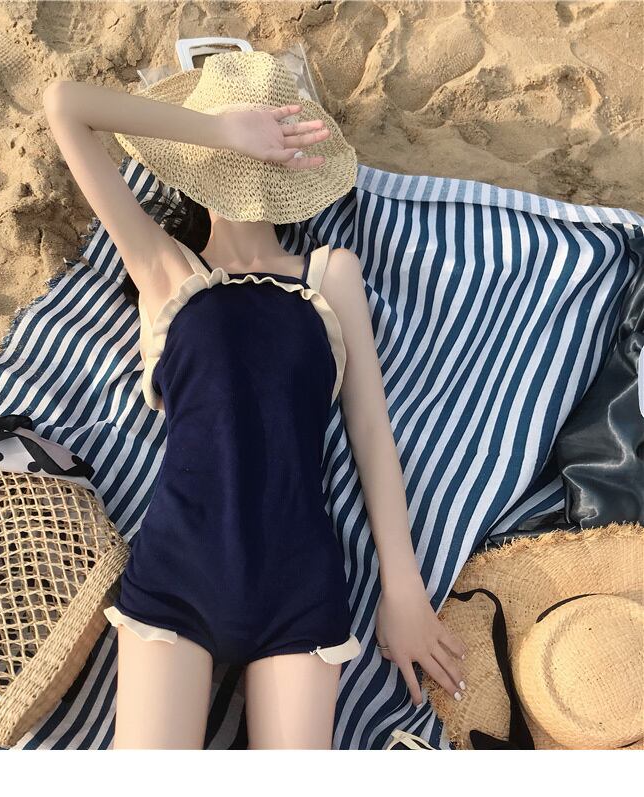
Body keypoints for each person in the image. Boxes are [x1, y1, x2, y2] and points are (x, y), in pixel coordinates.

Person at [42, 50, 467, 750]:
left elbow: (371, 431)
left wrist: (403, 590)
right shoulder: (165, 267)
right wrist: (220, 131)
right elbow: (64, 104)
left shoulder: (330, 275)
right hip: (179, 569)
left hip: (299, 578)